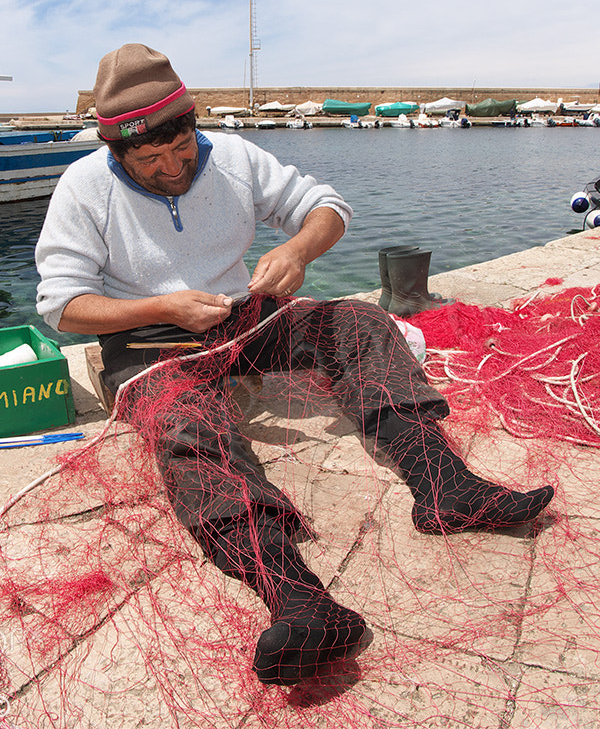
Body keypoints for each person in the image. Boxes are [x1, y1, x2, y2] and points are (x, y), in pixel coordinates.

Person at [35, 44, 554, 687]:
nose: (171, 166)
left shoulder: (234, 157)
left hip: (241, 318)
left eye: (181, 148)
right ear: (117, 153)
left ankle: (445, 486)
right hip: (146, 341)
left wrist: (299, 249)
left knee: (356, 323)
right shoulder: (83, 187)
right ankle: (296, 597)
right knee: (185, 422)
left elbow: (330, 206)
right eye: (148, 160)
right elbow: (63, 306)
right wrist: (162, 305)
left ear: (193, 122)